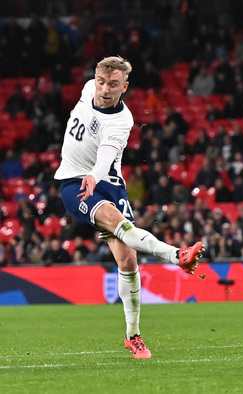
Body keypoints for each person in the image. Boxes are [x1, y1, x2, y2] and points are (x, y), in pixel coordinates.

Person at [54, 56, 204, 359]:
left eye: (112, 84)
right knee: (115, 221)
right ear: (94, 78)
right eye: (101, 81)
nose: (104, 89)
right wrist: (90, 178)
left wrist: (96, 176)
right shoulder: (86, 90)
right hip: (74, 183)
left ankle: (133, 336)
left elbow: (106, 155)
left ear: (125, 86)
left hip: (106, 180)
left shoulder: (122, 121)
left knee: (128, 262)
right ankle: (177, 255)